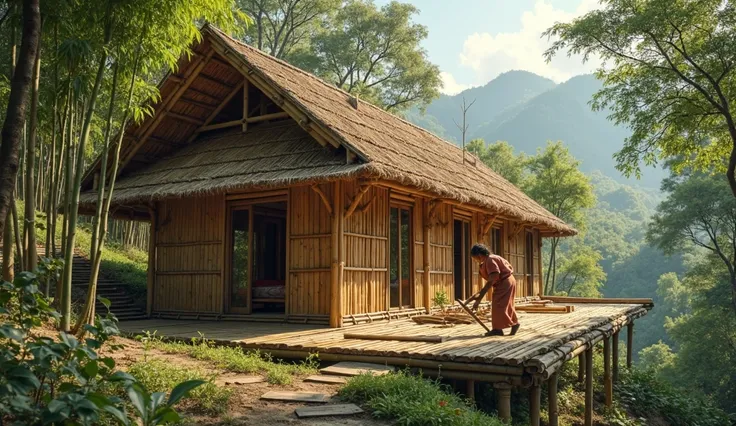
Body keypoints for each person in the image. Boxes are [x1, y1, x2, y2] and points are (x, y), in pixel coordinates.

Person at [465, 243, 520, 336]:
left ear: (478, 255)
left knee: (499, 304)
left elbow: (493, 277)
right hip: (506, 282)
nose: (474, 260)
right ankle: (514, 323)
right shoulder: (489, 259)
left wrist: (480, 297)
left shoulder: (490, 260)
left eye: (474, 258)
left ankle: (498, 329)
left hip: (504, 282)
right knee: (506, 304)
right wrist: (477, 295)